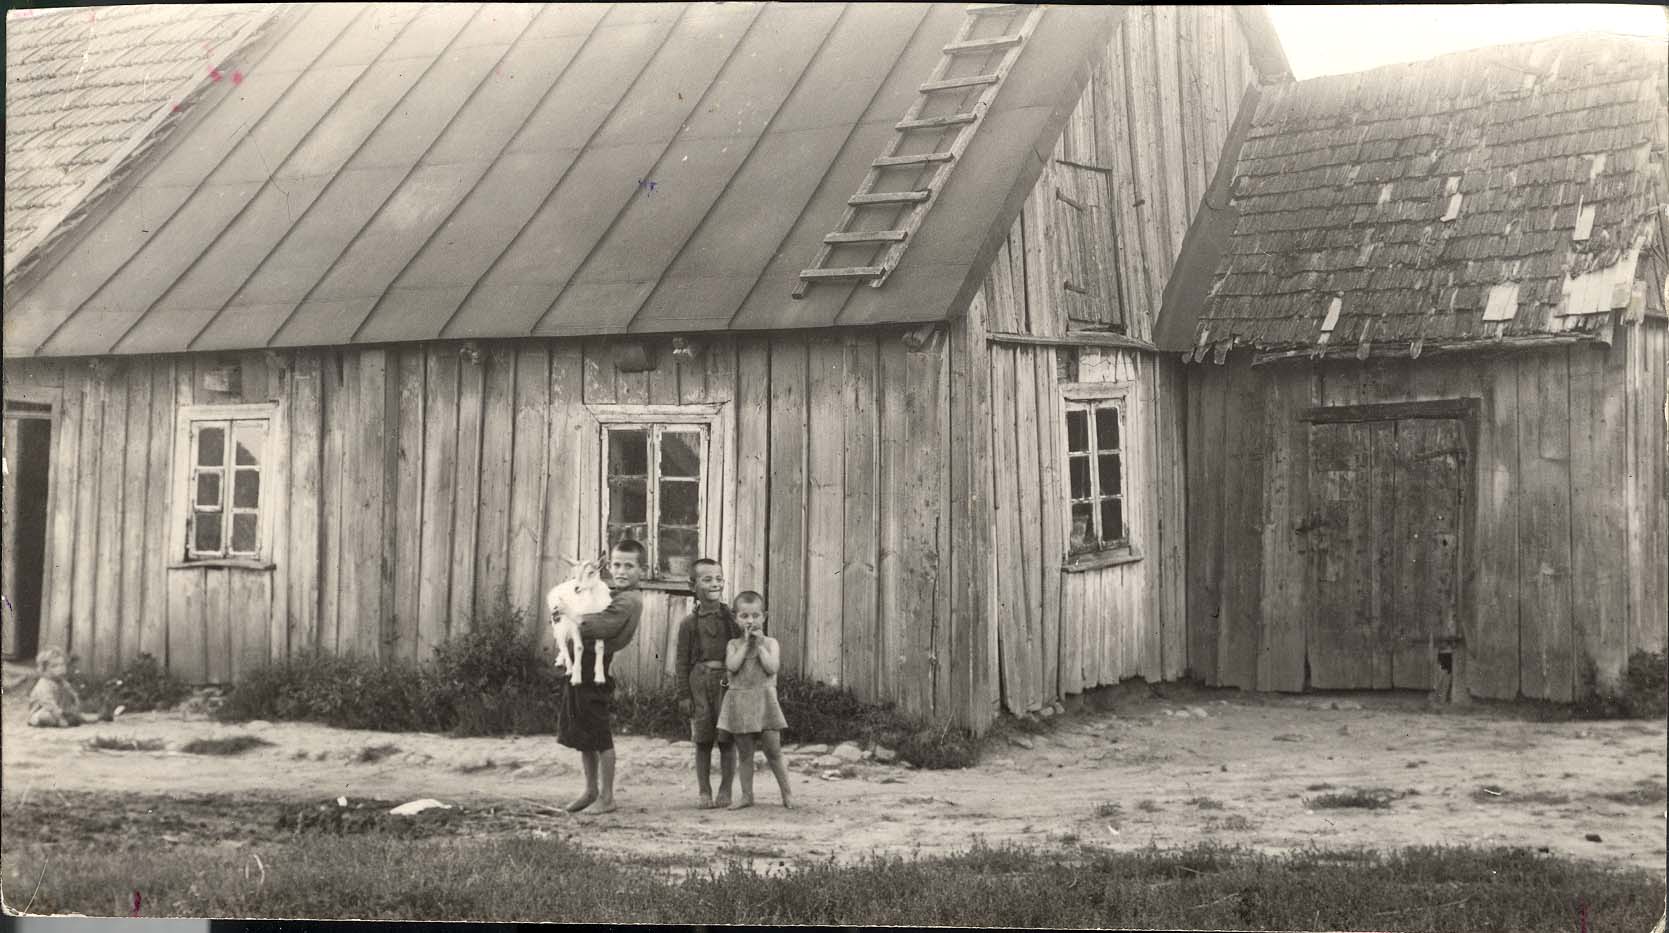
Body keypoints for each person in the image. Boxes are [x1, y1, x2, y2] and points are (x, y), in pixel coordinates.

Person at [557, 539, 645, 815]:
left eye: (629, 566)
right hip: (580, 665)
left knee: (599, 732)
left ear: (641, 570)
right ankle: (590, 790)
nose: (621, 571)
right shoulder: (608, 593)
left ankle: (607, 796)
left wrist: (571, 613)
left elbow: (599, 626)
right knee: (584, 731)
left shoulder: (629, 599)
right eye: (617, 564)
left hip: (594, 667)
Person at [672, 557, 741, 809]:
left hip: (727, 683)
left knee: (726, 738)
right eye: (707, 579)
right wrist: (684, 695)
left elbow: (743, 648)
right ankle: (704, 791)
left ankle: (725, 789)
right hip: (699, 684)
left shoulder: (730, 618)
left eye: (719, 579)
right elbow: (681, 661)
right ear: (693, 586)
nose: (715, 583)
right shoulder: (688, 624)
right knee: (702, 740)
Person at [716, 591, 792, 810]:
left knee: (773, 751)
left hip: (765, 702)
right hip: (740, 703)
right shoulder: (733, 644)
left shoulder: (770, 643)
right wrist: (746, 645)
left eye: (755, 616)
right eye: (744, 616)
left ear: (764, 617)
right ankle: (747, 795)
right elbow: (732, 666)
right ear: (735, 618)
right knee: (745, 753)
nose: (750, 621)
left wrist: (758, 646)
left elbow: (772, 668)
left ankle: (787, 793)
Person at [27, 647, 91, 728]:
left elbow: (71, 694)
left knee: (72, 714)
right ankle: (59, 721)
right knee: (46, 716)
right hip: (43, 711)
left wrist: (75, 701)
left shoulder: (62, 682)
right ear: (44, 669)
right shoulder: (43, 685)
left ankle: (71, 718)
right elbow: (49, 704)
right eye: (55, 666)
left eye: (62, 665)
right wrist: (60, 719)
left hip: (59, 710)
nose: (60, 668)